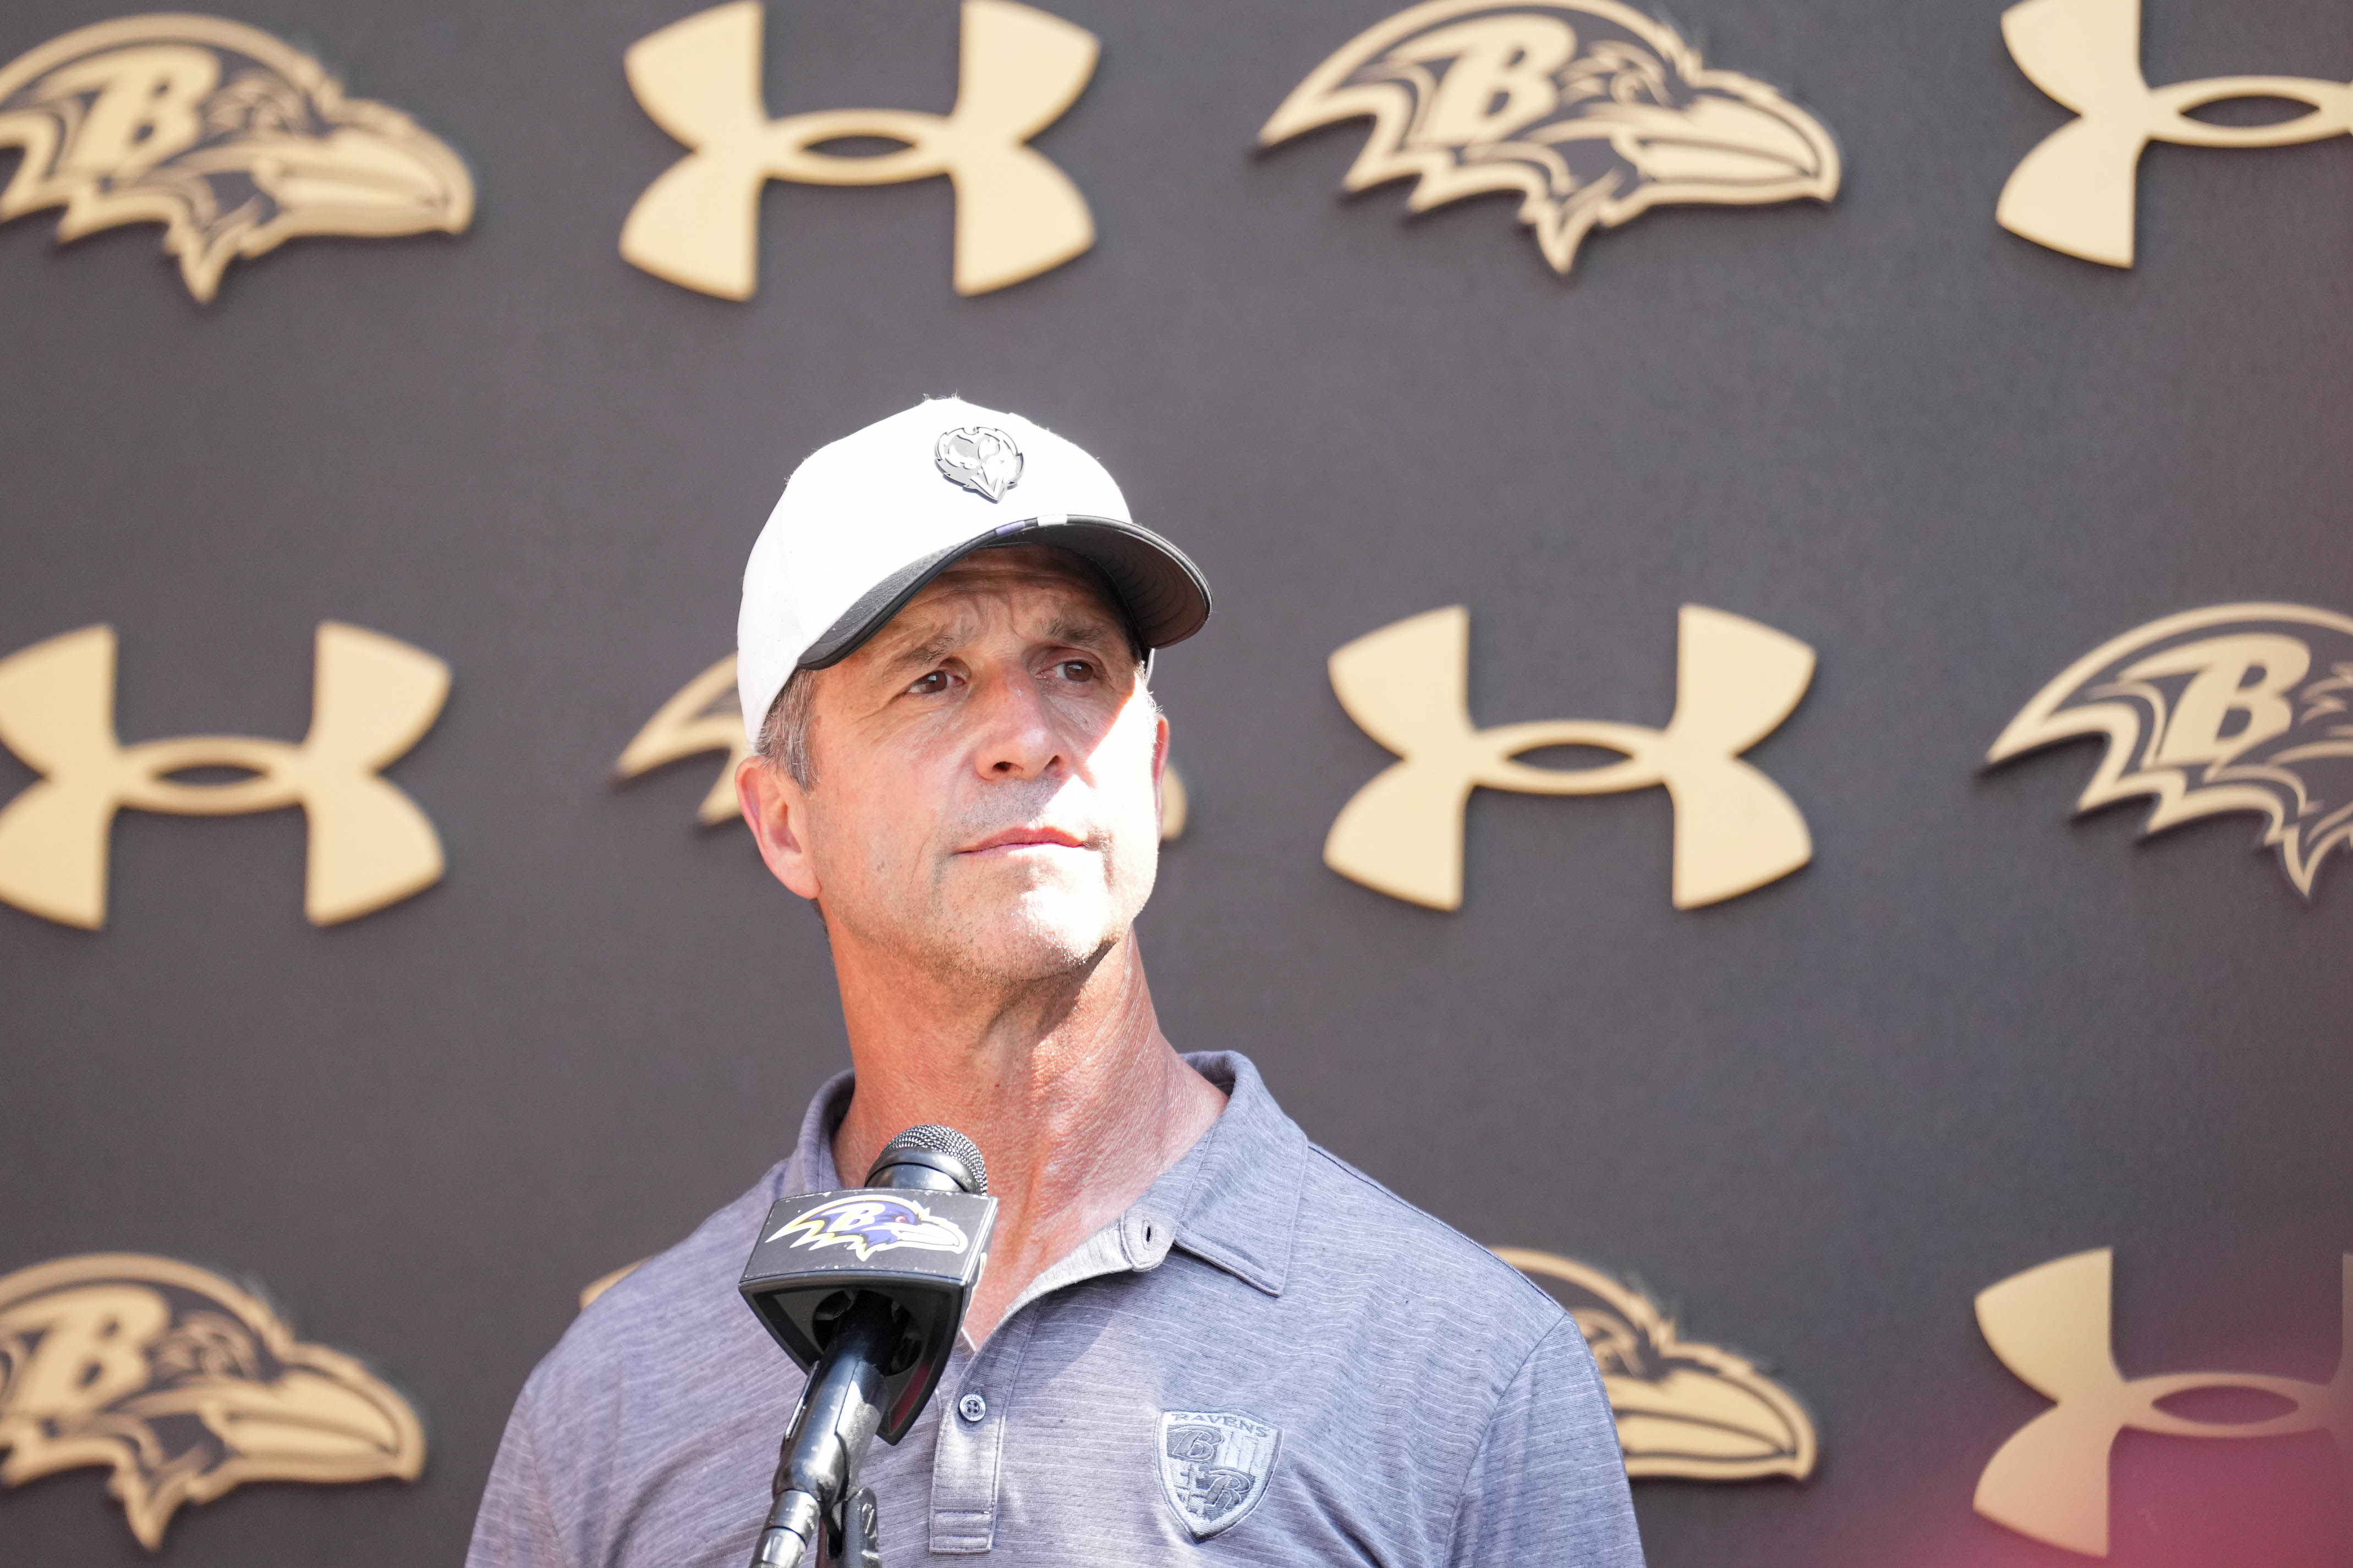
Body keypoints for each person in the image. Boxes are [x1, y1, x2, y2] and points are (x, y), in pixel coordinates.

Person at [466, 398, 1644, 1567]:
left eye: (1076, 666)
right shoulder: (610, 1409)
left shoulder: (1466, 1369)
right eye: (933, 677)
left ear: (1150, 765)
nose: (1028, 734)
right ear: (784, 822)